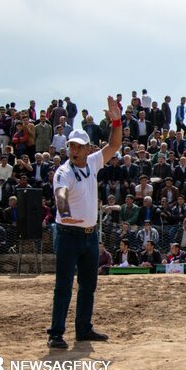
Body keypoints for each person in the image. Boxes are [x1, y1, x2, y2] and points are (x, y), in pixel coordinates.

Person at [47, 96, 121, 349]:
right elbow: (60, 194)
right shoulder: (63, 171)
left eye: (78, 146)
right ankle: (56, 333)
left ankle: (83, 329)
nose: (74, 149)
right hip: (68, 234)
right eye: (71, 146)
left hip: (89, 236)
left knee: (88, 286)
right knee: (64, 286)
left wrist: (117, 121)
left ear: (88, 148)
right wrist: (64, 211)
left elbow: (114, 145)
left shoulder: (92, 161)